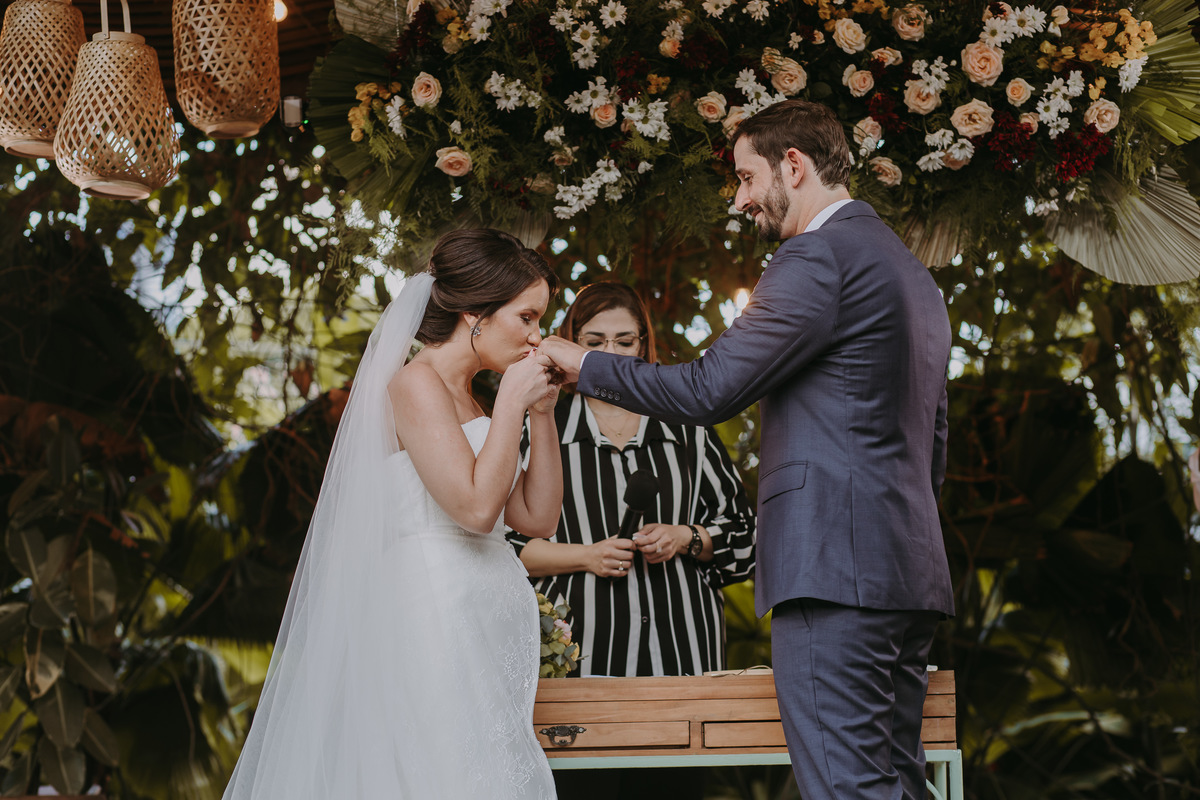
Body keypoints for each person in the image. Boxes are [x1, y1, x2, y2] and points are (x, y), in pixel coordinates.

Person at [536, 100, 955, 800]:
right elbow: (932, 437)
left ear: (793, 165)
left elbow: (710, 389)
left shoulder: (817, 255)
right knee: (896, 783)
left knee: (847, 788)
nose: (740, 199)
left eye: (745, 176)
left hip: (834, 571)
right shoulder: (910, 271)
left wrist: (585, 366)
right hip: (905, 569)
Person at [223, 229, 563, 800]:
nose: (536, 336)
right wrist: (511, 403)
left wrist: (544, 415)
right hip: (433, 607)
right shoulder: (415, 383)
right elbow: (477, 509)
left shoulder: (477, 400)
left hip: (487, 611)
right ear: (476, 311)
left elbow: (536, 516)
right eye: (526, 317)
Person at [507, 281, 756, 800]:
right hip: (579, 668)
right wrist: (585, 556)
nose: (610, 354)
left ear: (644, 345)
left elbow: (744, 535)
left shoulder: (688, 428)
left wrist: (686, 536)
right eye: (594, 342)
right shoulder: (540, 426)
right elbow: (501, 549)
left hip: (682, 664)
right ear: (571, 341)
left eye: (625, 342)